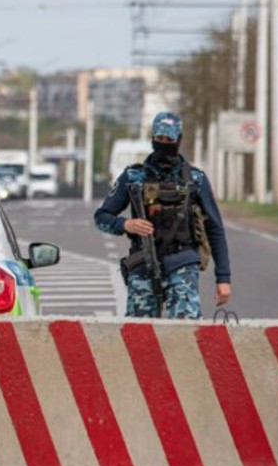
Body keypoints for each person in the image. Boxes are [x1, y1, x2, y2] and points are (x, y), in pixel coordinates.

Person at [93, 111, 231, 319]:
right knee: (139, 336)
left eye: (169, 139)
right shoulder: (133, 177)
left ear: (179, 140)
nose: (164, 143)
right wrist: (125, 224)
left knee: (186, 334)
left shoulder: (196, 179)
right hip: (143, 262)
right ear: (152, 138)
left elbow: (215, 229)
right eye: (159, 138)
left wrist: (223, 278)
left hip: (182, 262)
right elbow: (101, 217)